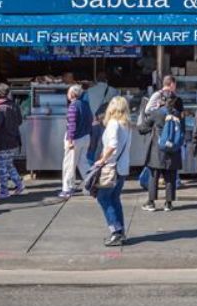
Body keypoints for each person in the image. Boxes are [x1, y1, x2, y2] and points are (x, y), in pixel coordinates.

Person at [93, 96, 132, 247]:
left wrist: (102, 160)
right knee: (115, 199)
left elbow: (113, 145)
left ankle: (115, 231)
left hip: (112, 167)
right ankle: (120, 231)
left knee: (103, 198)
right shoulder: (126, 125)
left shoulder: (113, 124)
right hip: (122, 167)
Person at [139, 91, 183, 212]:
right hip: (172, 149)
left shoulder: (156, 113)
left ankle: (151, 202)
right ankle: (168, 203)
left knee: (154, 176)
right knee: (170, 176)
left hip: (157, 150)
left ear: (162, 100)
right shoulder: (177, 114)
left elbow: (142, 129)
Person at [0, 83, 25, 200]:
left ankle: (4, 190)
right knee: (9, 164)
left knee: (1, 166)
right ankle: (19, 185)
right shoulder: (14, 105)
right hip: (14, 139)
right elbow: (20, 121)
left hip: (2, 141)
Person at [61, 84, 92, 199]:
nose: (67, 94)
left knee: (69, 164)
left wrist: (70, 140)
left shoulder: (73, 106)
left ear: (72, 94)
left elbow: (71, 125)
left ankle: (67, 189)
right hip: (85, 137)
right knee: (83, 163)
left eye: (68, 92)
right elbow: (90, 120)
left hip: (75, 139)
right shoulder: (85, 105)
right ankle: (90, 184)